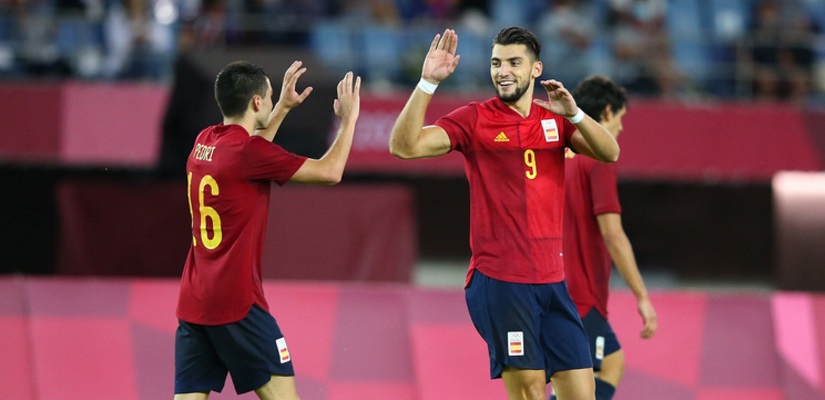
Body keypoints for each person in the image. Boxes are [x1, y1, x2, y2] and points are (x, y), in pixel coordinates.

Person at [389, 27, 620, 400]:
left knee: (582, 392)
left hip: (552, 283)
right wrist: (427, 84)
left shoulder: (555, 120)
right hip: (501, 281)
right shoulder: (474, 119)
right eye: (496, 63)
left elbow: (610, 153)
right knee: (529, 390)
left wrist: (574, 113)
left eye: (514, 62)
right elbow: (403, 147)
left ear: (536, 70)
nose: (503, 71)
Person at [174, 60, 361, 400]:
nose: (274, 101)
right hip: (237, 304)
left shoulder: (205, 141)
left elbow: (250, 154)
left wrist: (284, 108)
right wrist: (349, 120)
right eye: (271, 97)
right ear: (257, 103)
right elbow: (330, 172)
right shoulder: (249, 152)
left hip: (194, 303)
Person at [551, 76, 658, 400]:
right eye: (622, 119)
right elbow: (612, 234)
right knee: (579, 385)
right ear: (608, 112)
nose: (622, 128)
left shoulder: (560, 151)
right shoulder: (599, 156)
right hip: (581, 295)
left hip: (553, 287)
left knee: (609, 363)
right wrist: (642, 295)